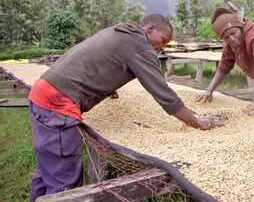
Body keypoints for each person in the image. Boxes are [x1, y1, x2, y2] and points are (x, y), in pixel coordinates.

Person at [28, 14, 223, 201]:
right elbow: (161, 90)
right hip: (57, 105)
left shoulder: (120, 32)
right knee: (64, 181)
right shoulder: (139, 43)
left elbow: (99, 62)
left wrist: (109, 88)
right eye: (163, 40)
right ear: (150, 28)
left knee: (48, 169)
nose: (162, 47)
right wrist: (195, 121)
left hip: (42, 94)